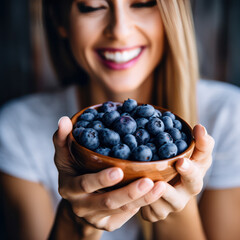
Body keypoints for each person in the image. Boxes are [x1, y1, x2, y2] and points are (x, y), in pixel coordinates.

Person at [0, 0, 240, 239]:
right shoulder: (15, 131)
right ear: (59, 19)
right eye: (93, 6)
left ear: (173, 14)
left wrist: (175, 207)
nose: (119, 31)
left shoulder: (229, 117)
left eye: (142, 3)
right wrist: (74, 222)